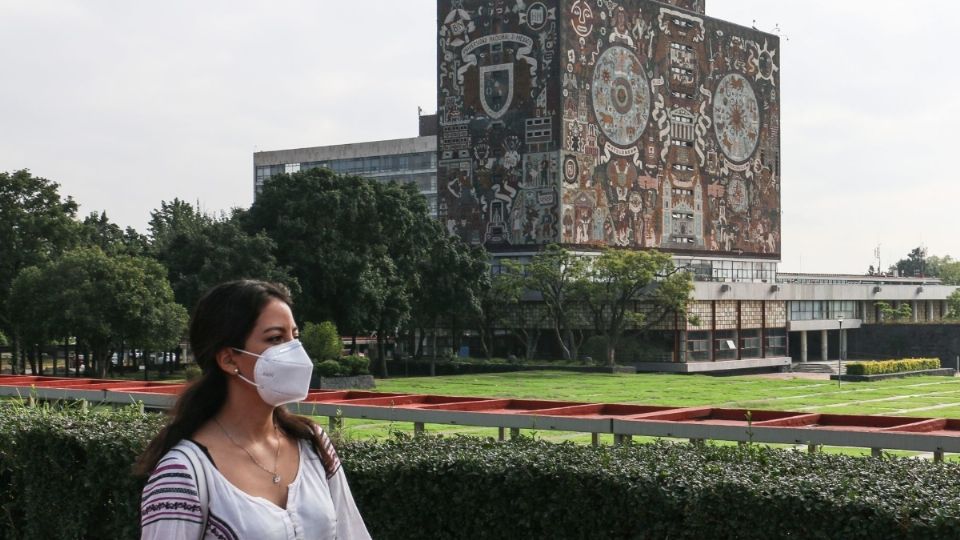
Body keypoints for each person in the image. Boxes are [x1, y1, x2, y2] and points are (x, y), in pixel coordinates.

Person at [135, 280, 370, 539]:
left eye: (295, 336)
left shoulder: (312, 443)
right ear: (228, 359)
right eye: (275, 339)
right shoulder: (183, 474)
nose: (294, 351)